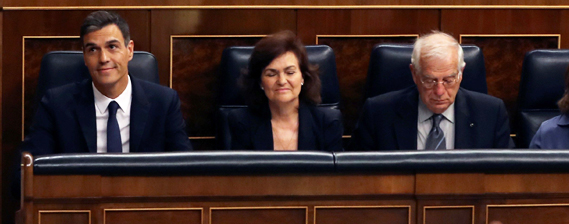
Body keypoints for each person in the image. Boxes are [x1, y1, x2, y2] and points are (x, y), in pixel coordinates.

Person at [22, 10, 192, 156]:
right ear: (85, 57)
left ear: (129, 50)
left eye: (112, 47)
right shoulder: (56, 105)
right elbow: (23, 176)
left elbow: (186, 171)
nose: (103, 59)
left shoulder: (164, 103)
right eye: (93, 50)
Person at [350, 31, 512, 151]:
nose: (440, 91)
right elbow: (357, 177)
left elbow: (506, 176)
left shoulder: (491, 114)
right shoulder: (378, 114)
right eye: (430, 81)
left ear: (461, 73)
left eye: (448, 80)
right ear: (414, 73)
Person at [227, 31, 343, 151]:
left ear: (303, 77)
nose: (282, 81)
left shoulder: (327, 122)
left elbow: (335, 169)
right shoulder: (242, 122)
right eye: (271, 74)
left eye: (290, 73)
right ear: (260, 81)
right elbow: (243, 169)